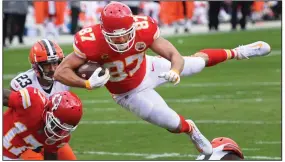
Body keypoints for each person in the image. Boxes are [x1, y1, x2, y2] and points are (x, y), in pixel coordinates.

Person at [54, 1, 271, 155]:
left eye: (124, 32)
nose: (121, 39)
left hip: (148, 67)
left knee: (194, 64)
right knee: (171, 122)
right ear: (103, 31)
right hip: (127, 93)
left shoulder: (143, 28)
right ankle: (191, 129)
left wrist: (175, 71)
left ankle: (238, 52)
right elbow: (60, 72)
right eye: (115, 35)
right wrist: (86, 83)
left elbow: (173, 55)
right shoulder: (89, 41)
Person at [10, 39, 77, 160]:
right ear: (37, 66)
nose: (52, 69)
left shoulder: (65, 78)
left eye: (55, 63)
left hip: (52, 136)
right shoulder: (23, 83)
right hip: (26, 140)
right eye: (47, 65)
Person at [3, 87, 83, 160]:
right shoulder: (32, 101)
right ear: (48, 109)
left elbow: (50, 156)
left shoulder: (59, 137)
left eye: (64, 129)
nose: (57, 132)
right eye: (55, 124)